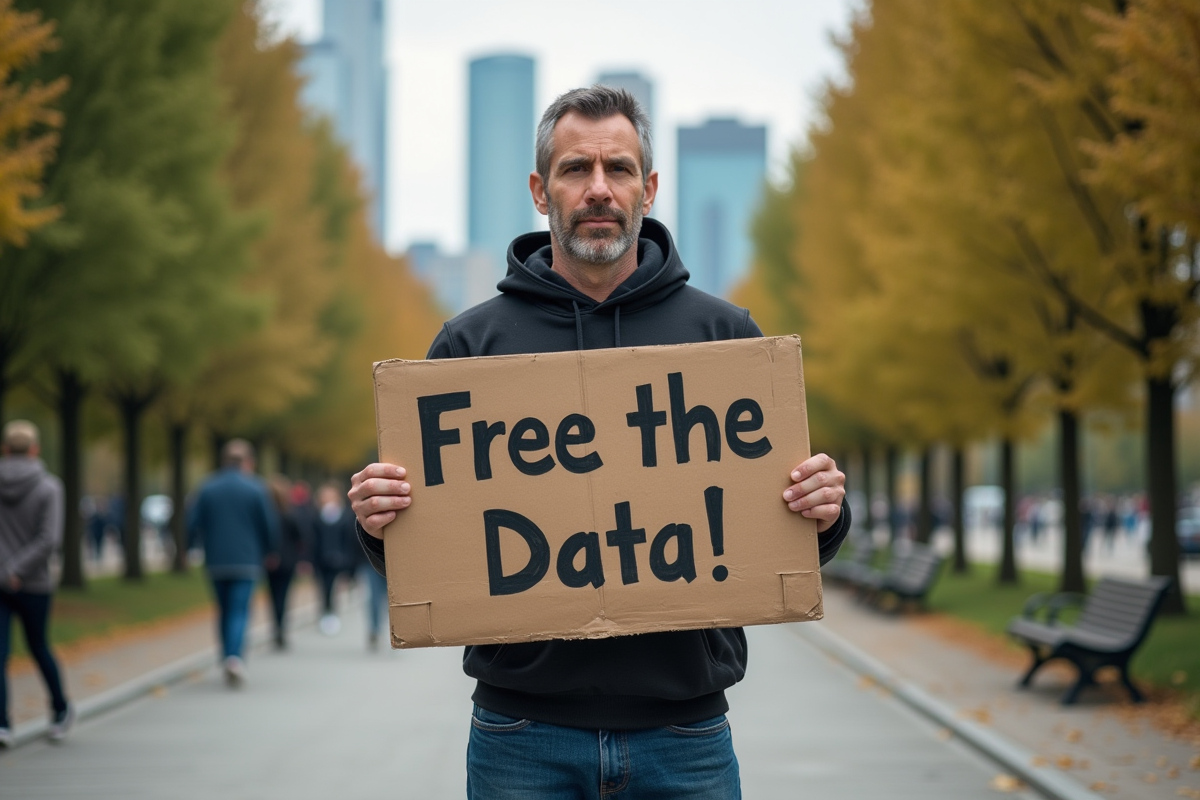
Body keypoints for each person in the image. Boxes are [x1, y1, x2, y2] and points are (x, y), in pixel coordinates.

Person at [348, 86, 849, 799]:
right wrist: (377, 520)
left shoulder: (724, 341)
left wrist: (826, 509)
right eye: (575, 169)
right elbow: (424, 549)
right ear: (539, 189)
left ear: (648, 187)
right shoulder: (468, 347)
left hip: (686, 734)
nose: (597, 189)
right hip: (521, 735)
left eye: (617, 169)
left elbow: (785, 531)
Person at [0, 420, 74, 747]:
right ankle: (59, 709)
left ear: (4, 448)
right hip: (34, 582)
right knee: (39, 646)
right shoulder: (49, 487)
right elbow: (49, 539)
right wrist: (18, 569)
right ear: (35, 449)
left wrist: (5, 570)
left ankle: (2, 724)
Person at [187, 439, 279, 687]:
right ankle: (235, 658)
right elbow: (269, 525)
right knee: (239, 609)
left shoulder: (207, 487)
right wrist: (271, 550)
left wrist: (188, 549)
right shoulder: (256, 488)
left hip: (216, 560)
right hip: (247, 559)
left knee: (223, 609)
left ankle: (226, 655)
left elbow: (192, 522)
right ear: (248, 461)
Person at [264, 475, 308, 650]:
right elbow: (300, 538)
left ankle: (276, 628)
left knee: (273, 596)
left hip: (270, 562)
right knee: (284, 595)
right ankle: (281, 628)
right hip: (288, 561)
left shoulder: (268, 515)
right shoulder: (290, 514)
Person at [311, 481, 358, 637]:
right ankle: (326, 614)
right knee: (324, 588)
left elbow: (349, 538)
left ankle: (331, 614)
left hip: (340, 559)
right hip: (322, 559)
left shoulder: (345, 514)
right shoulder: (316, 515)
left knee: (336, 587)